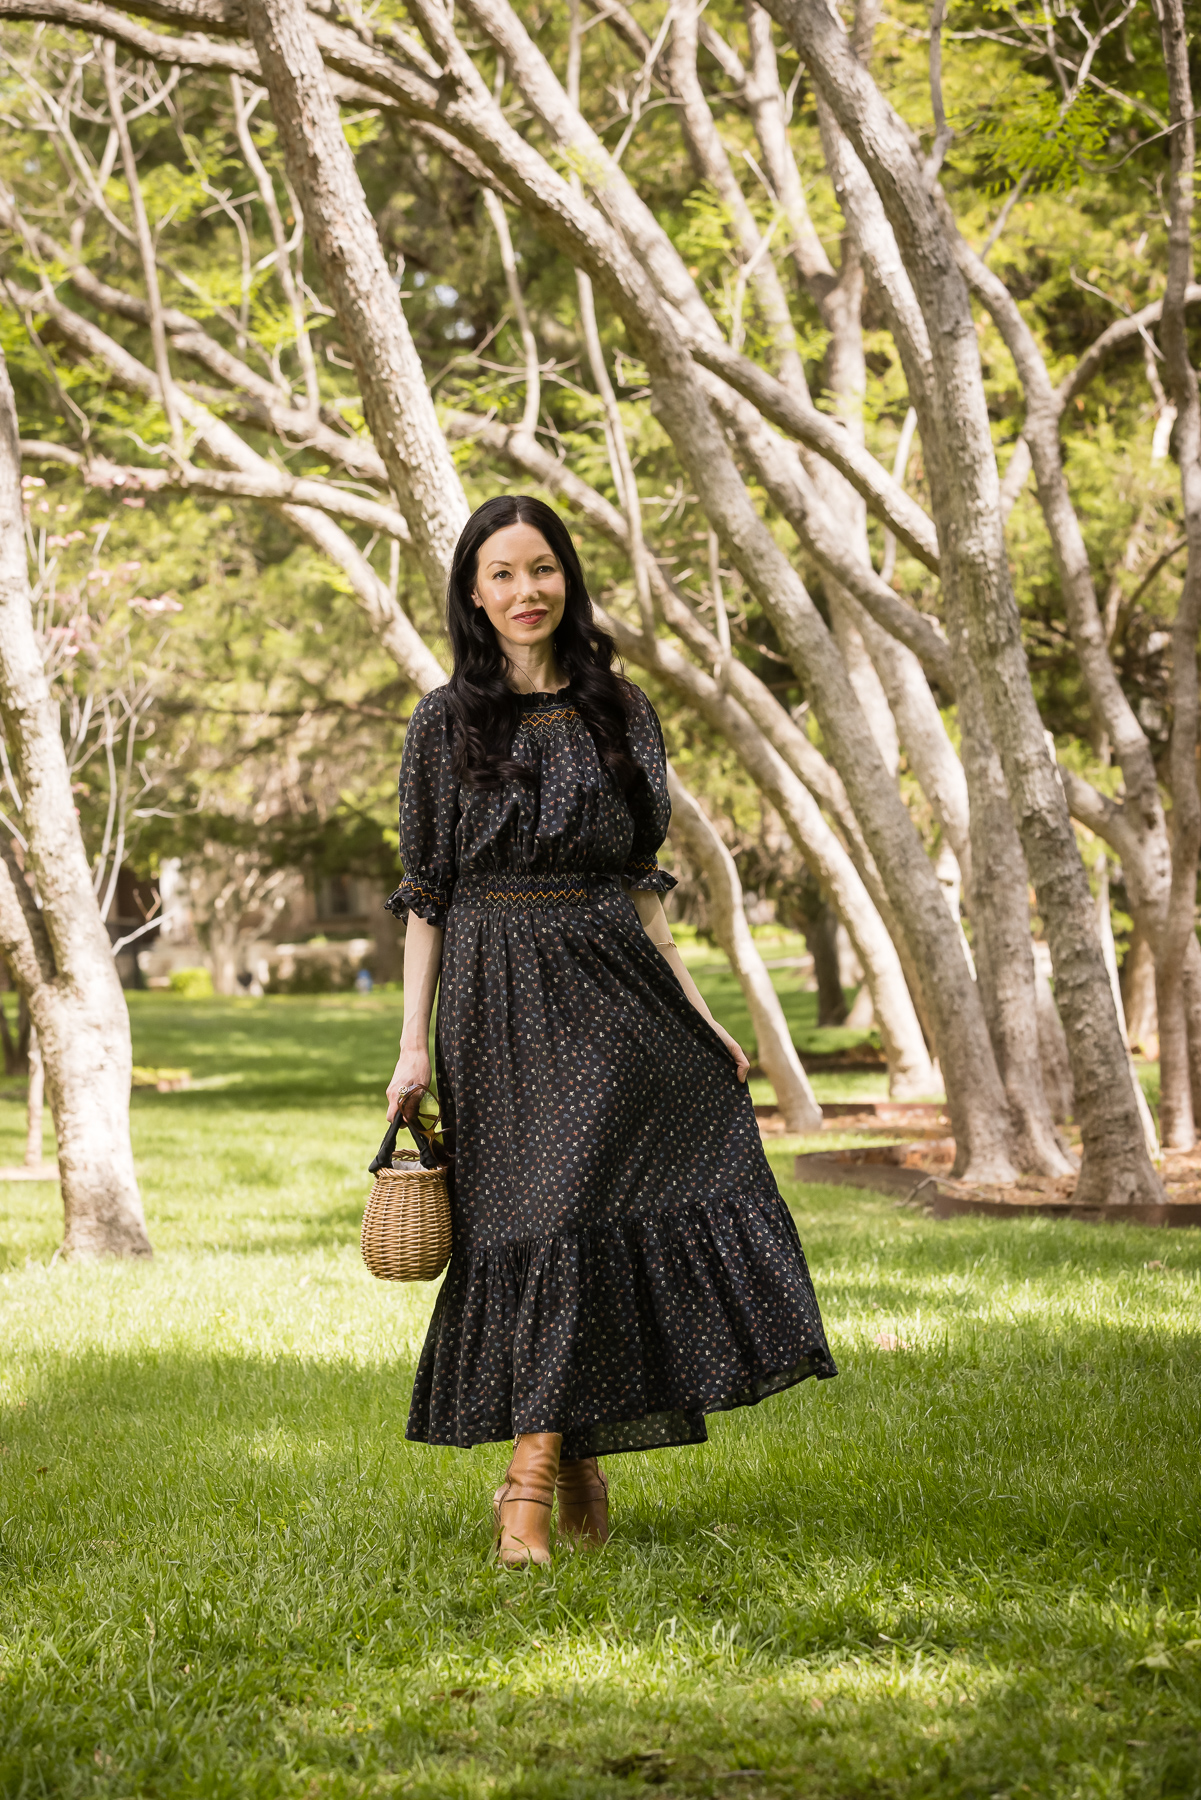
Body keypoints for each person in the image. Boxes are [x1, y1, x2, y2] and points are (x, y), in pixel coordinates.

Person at [385, 495, 836, 1566]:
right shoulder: (443, 725)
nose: (524, 591)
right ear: (473, 595)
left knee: (580, 1203)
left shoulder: (619, 713)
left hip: (615, 989)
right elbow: (425, 896)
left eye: (540, 569)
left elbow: (644, 894)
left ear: (567, 579)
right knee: (537, 1223)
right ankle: (575, 1467)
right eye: (500, 575)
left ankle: (527, 1489)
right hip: (495, 1001)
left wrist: (698, 1014)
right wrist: (412, 1047)